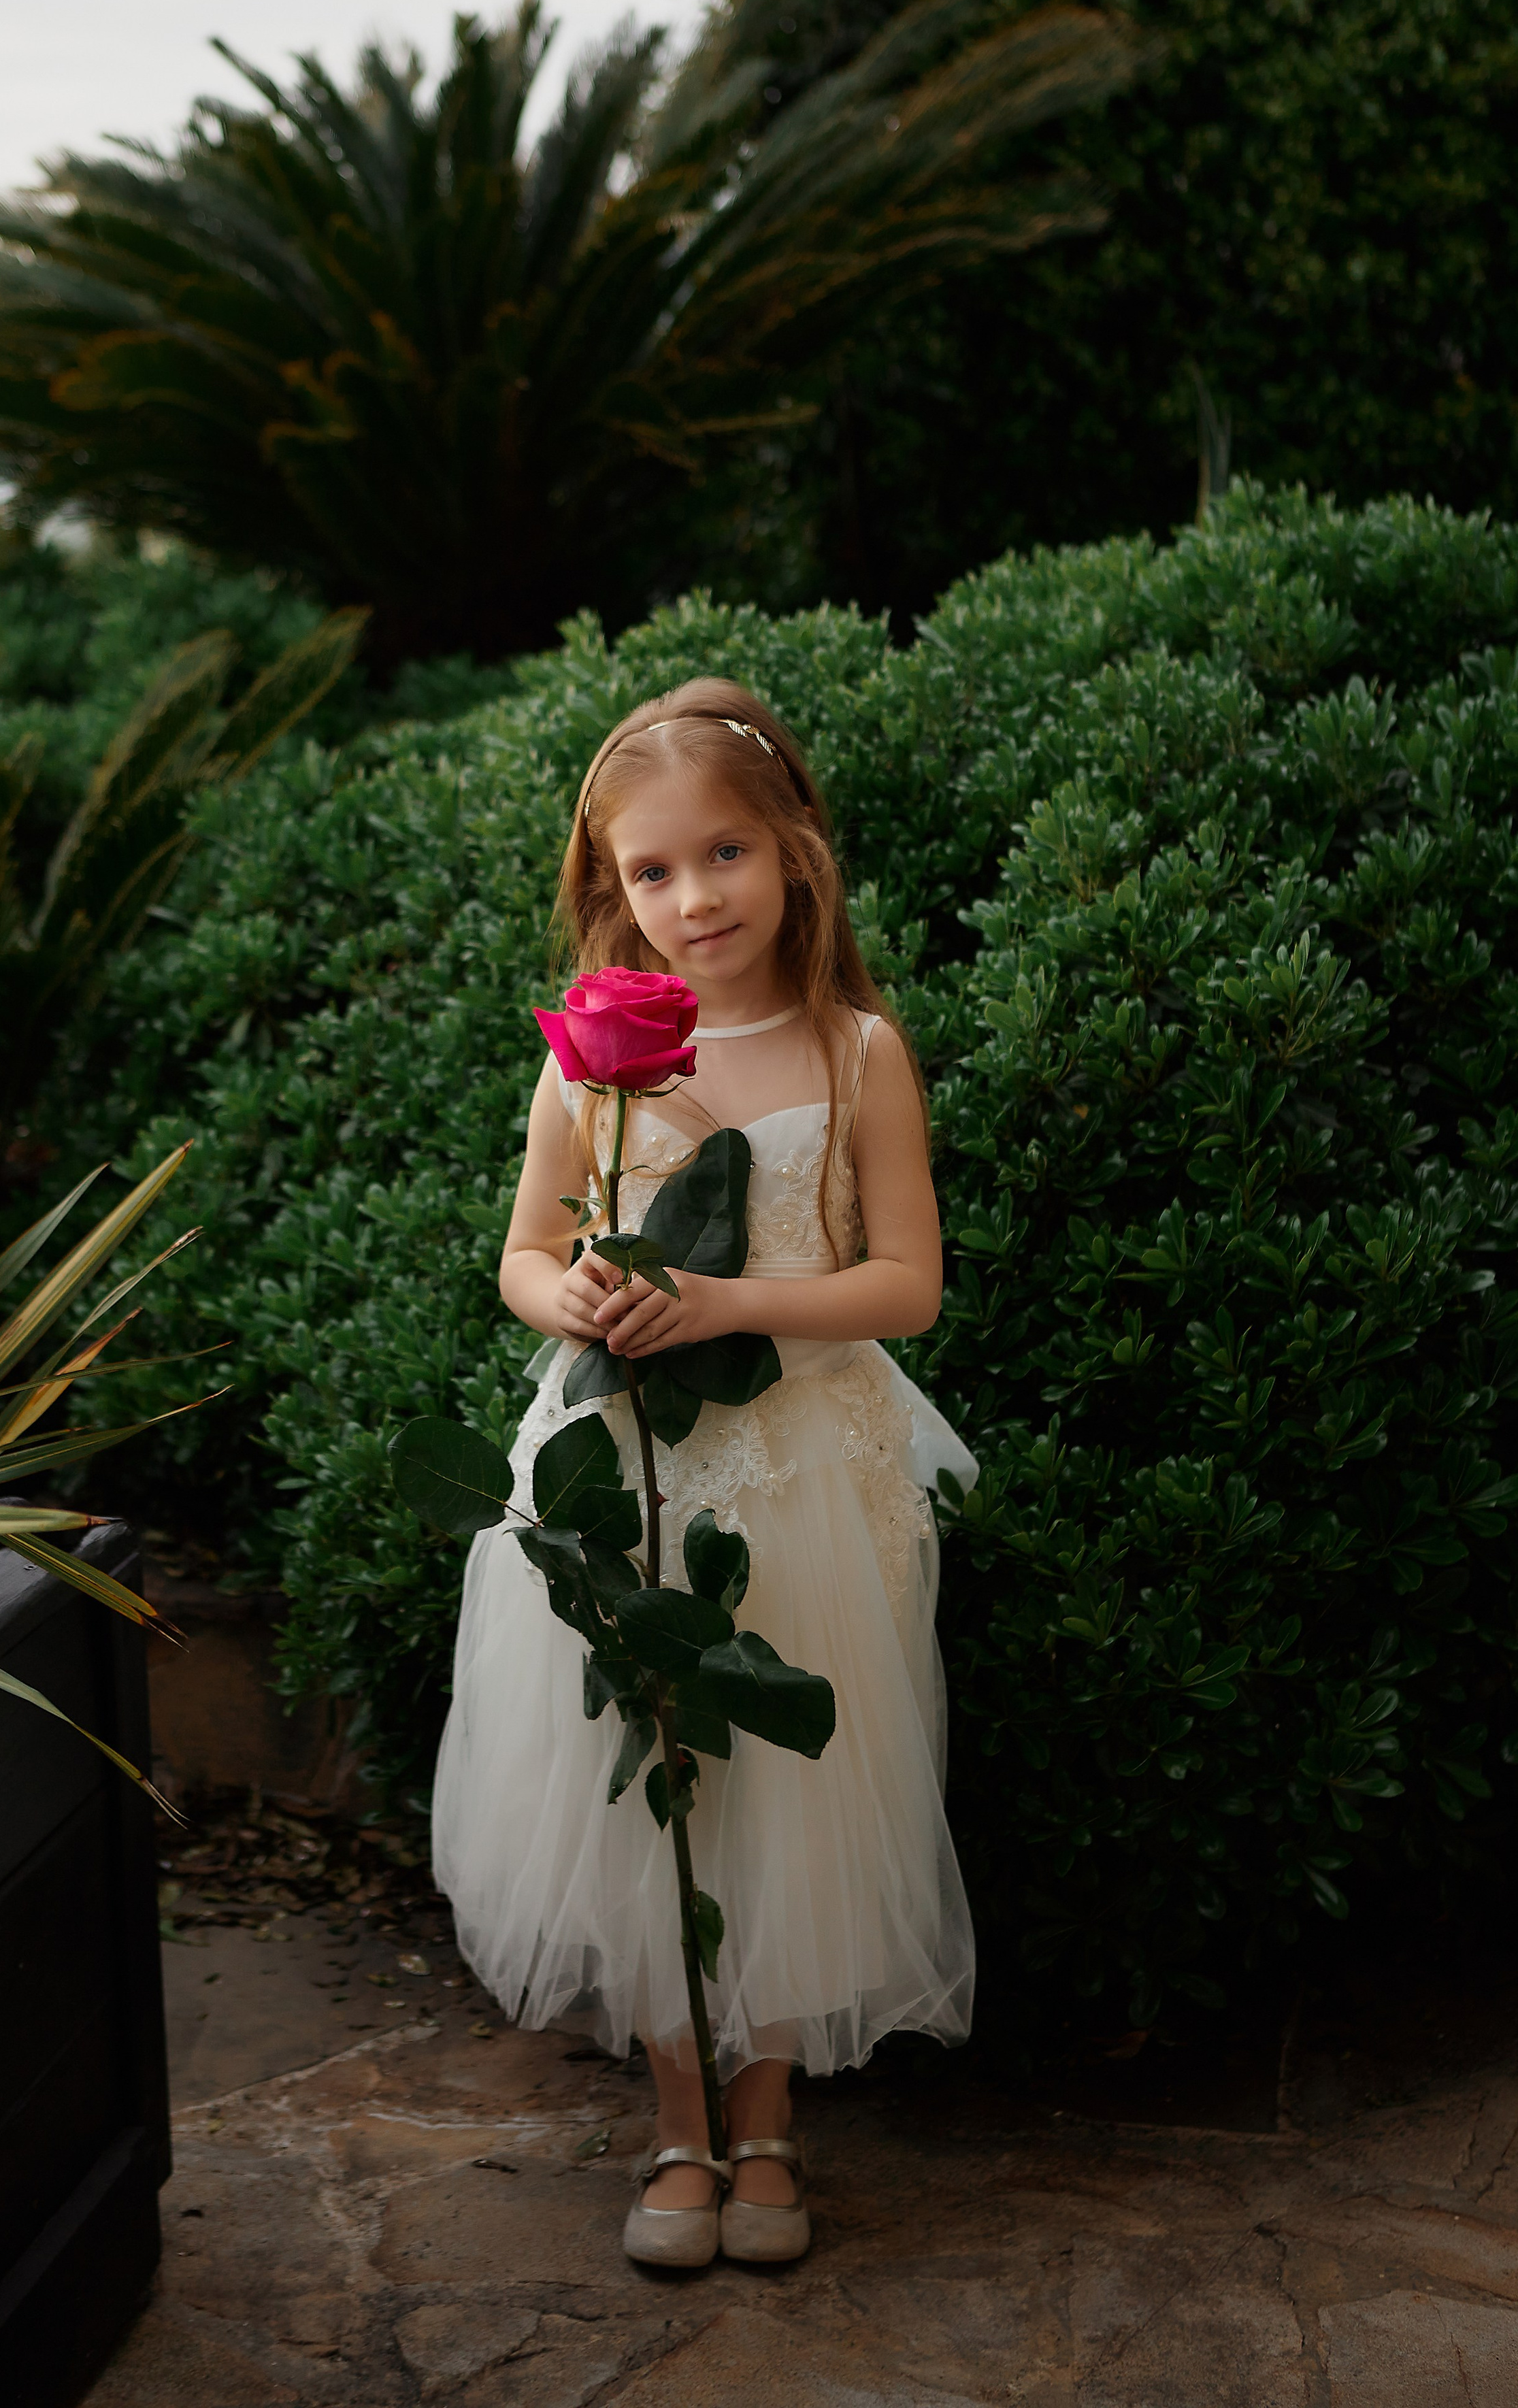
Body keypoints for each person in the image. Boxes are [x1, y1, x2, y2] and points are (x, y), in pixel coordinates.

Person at [431, 677, 977, 2268]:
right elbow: (526, 1255)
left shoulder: (852, 1048)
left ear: (795, 852)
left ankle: (767, 2124)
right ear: (612, 890)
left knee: (791, 1793)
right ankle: (677, 2123)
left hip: (806, 1472)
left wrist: (734, 1303)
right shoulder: (583, 1066)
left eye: (724, 854)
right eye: (652, 873)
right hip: (622, 1471)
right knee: (652, 1765)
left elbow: (904, 1287)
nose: (692, 899)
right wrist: (577, 1298)